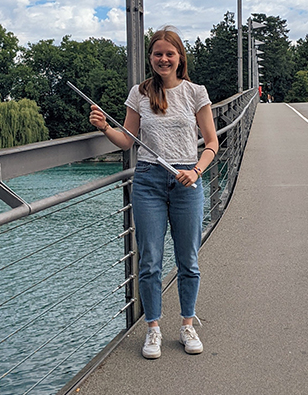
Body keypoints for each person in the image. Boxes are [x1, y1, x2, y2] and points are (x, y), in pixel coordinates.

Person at [89, 26, 219, 359]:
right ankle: (153, 329)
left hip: (186, 179)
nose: (163, 59)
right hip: (148, 179)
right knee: (149, 261)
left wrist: (196, 170)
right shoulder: (140, 93)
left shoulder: (195, 93)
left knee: (188, 259)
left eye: (169, 54)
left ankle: (187, 324)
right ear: (151, 58)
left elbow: (212, 143)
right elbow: (127, 141)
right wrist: (105, 127)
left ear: (179, 58)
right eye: (157, 53)